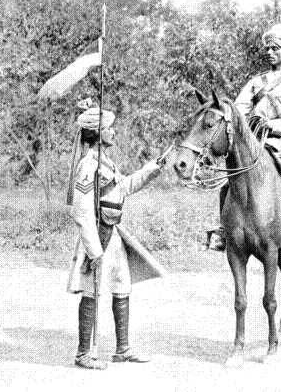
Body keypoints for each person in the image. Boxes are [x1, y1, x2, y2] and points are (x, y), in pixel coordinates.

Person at [66, 106, 166, 370]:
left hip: (114, 234)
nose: (113, 131)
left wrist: (154, 167)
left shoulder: (107, 164)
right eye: (108, 128)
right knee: (92, 292)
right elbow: (82, 210)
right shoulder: (88, 166)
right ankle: (83, 354)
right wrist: (94, 250)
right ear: (97, 133)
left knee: (122, 286)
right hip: (98, 236)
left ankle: (123, 349)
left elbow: (126, 187)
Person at [208, 23, 281, 252]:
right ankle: (224, 231)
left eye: (275, 48)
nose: (269, 52)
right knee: (229, 182)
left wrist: (274, 125)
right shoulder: (256, 82)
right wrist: (241, 119)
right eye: (268, 48)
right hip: (257, 141)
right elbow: (238, 109)